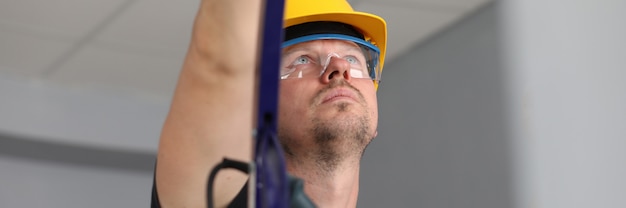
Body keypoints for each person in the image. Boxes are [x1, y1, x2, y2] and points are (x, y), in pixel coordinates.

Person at [152, 0, 387, 207]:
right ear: (255, 108)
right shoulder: (215, 191)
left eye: (352, 58)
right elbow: (219, 63)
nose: (340, 67)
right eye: (302, 60)